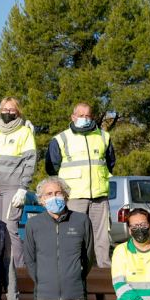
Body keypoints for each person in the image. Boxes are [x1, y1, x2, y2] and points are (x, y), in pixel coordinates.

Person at [45, 102, 115, 267]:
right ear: (73, 117)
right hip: (74, 197)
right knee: (73, 235)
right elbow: (51, 168)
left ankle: (103, 270)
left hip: (99, 196)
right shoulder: (60, 139)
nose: (85, 118)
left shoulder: (104, 137)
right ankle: (72, 268)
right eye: (81, 115)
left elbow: (110, 162)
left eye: (88, 116)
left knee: (102, 237)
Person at [0, 96, 36, 267]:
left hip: (14, 188)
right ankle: (0, 267)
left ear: (18, 111)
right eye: (5, 109)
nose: (8, 112)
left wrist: (23, 188)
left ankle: (19, 269)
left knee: (10, 227)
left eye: (11, 109)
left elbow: (30, 161)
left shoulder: (24, 132)